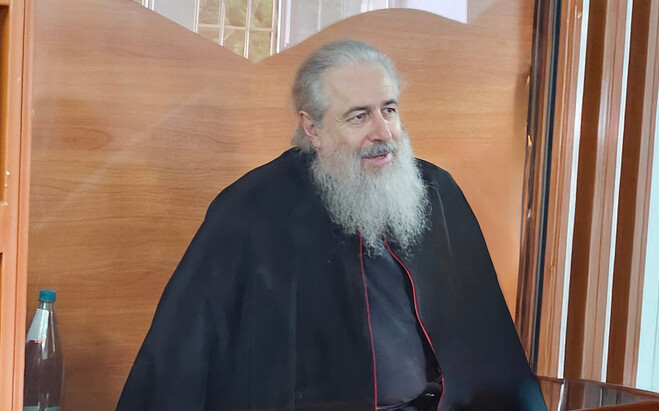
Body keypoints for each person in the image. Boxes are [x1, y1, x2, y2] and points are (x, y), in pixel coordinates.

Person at [116, 39, 546, 411]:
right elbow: (180, 357)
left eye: (389, 110)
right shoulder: (251, 208)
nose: (384, 133)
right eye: (358, 116)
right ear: (313, 128)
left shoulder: (435, 191)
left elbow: (491, 346)